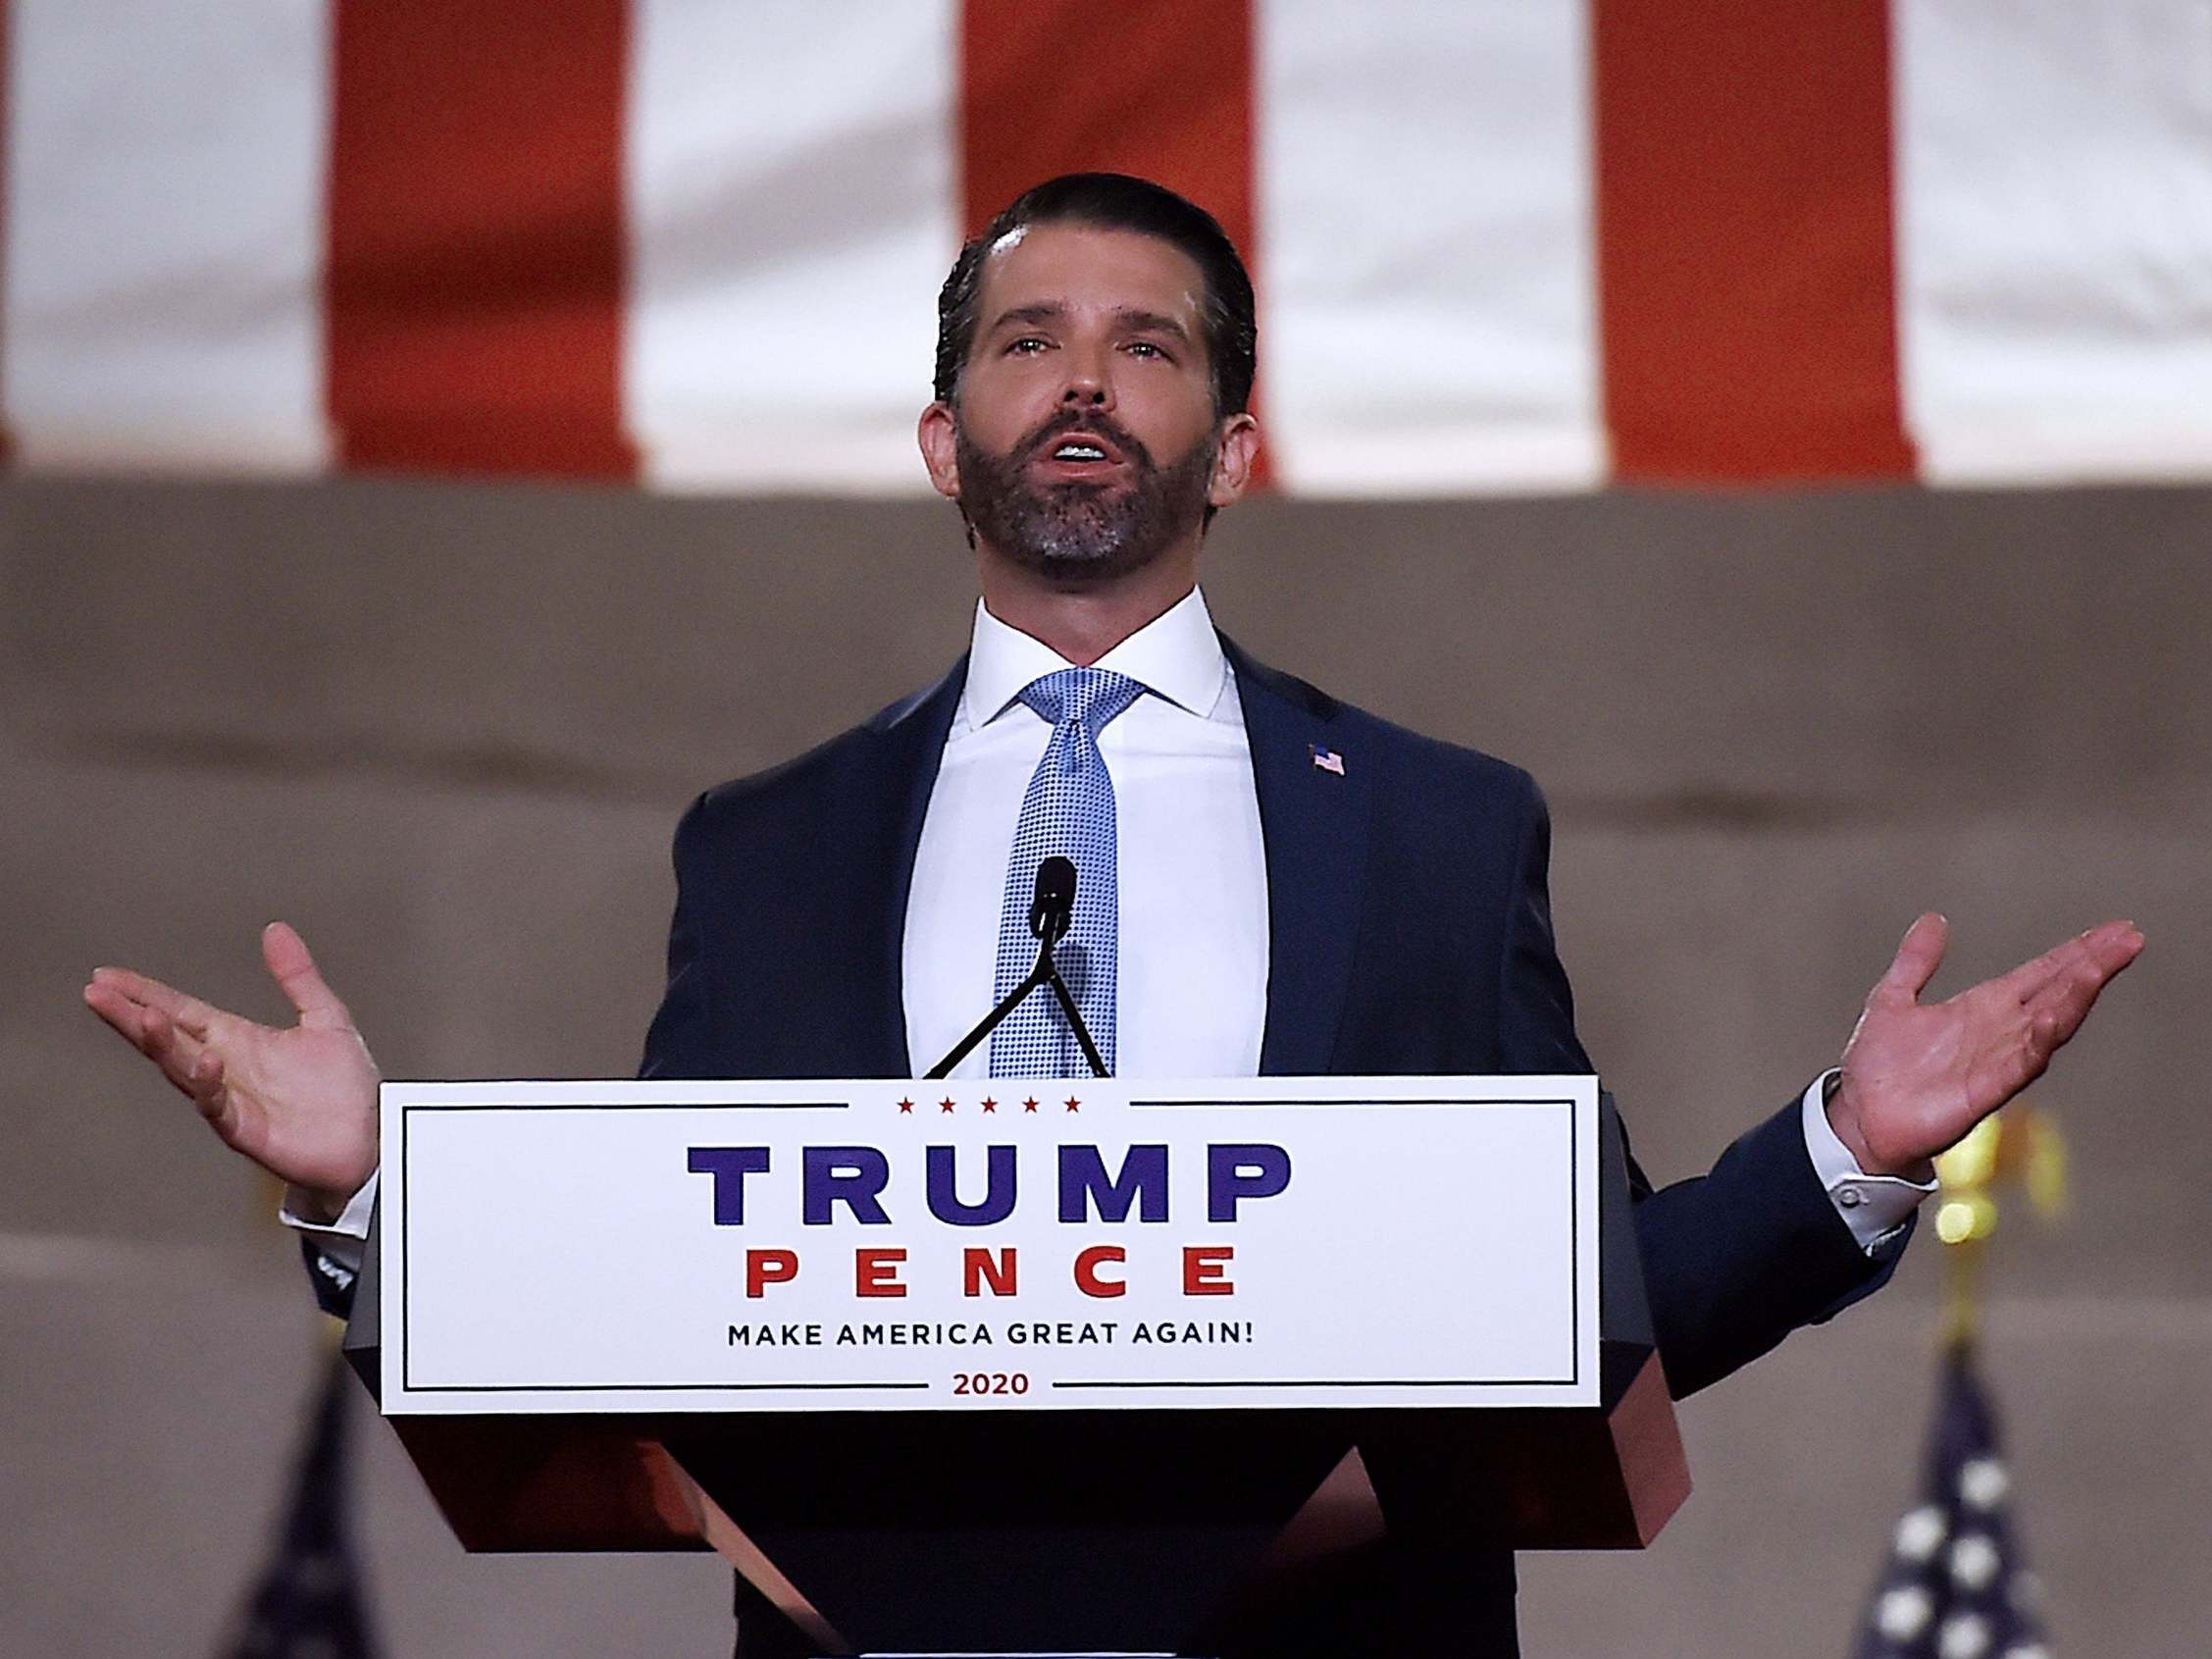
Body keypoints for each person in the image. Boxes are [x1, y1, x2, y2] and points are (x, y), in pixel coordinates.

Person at [83, 174, 2143, 1657]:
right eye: (1024, 344)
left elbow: (1571, 1302)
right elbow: (664, 1298)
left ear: (1232, 445)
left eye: (1145, 347)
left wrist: (1842, 1154)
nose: (1082, 383)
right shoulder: (771, 838)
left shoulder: (1433, 823)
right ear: (940, 439)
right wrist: (373, 1200)